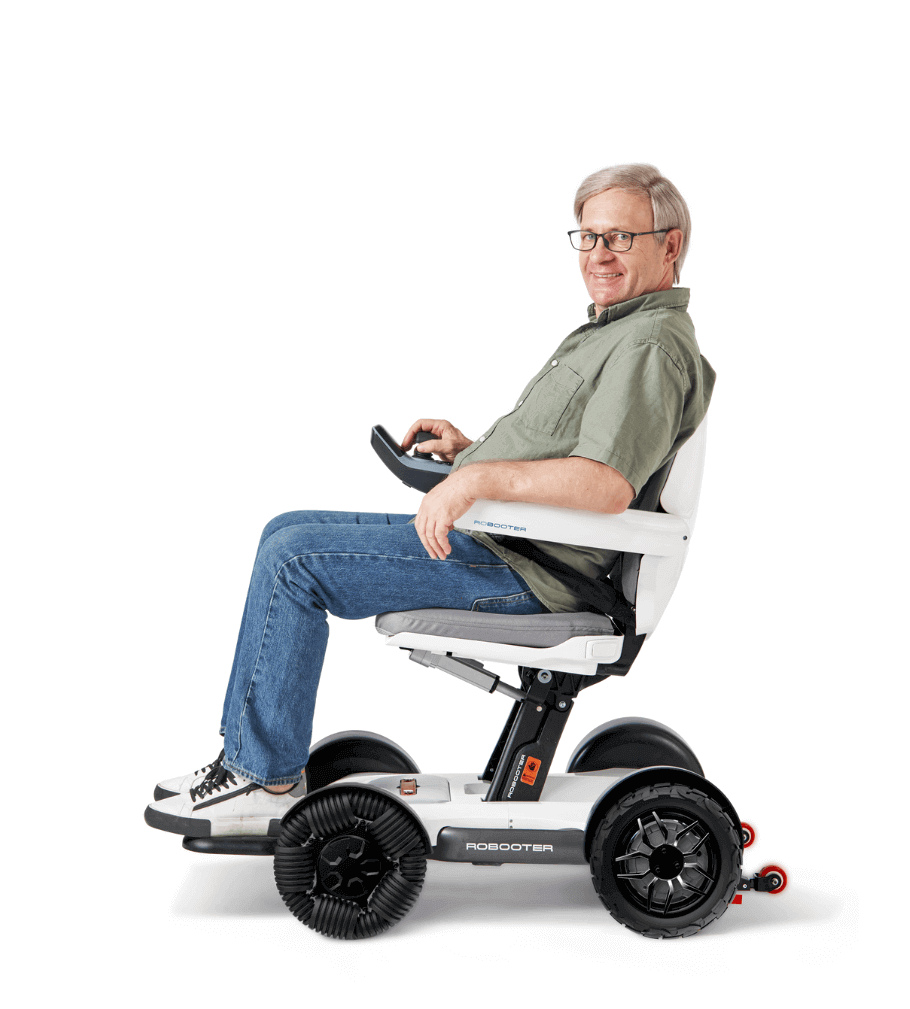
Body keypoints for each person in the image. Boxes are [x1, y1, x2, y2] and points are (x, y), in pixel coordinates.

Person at [144, 163, 715, 839]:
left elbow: (605, 484)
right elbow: (578, 456)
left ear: (669, 245)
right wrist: (472, 452)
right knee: (286, 530)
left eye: (619, 237)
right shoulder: (619, 331)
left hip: (534, 575)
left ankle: (260, 776)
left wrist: (477, 482)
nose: (598, 255)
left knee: (296, 560)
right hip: (515, 545)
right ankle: (254, 760)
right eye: (587, 238)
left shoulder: (647, 343)